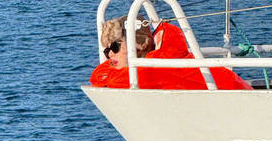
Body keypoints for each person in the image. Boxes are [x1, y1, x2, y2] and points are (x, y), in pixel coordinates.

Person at [90, 16, 251, 90]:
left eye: (115, 47)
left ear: (139, 44)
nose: (110, 54)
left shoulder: (156, 66)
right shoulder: (161, 58)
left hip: (238, 99)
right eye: (106, 50)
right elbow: (99, 76)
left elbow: (100, 78)